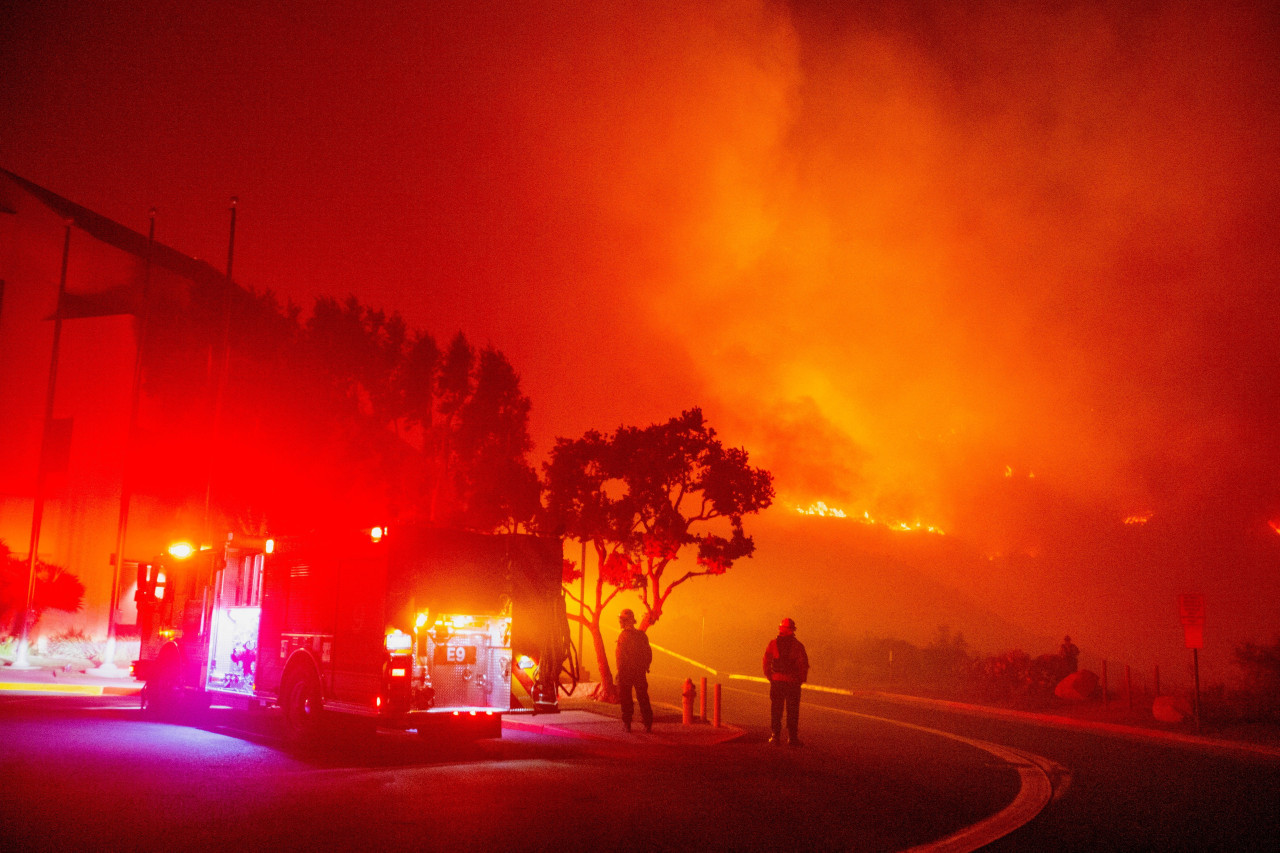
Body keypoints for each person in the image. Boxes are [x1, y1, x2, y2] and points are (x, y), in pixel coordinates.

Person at [763, 617, 809, 747]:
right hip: (792, 683)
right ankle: (792, 738)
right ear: (793, 630)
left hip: (777, 681)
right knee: (793, 710)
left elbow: (766, 661)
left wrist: (770, 676)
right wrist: (800, 679)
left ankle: (775, 736)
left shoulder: (773, 644)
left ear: (780, 629)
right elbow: (803, 664)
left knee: (776, 710)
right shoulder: (798, 646)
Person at [615, 608, 653, 733]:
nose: (620, 622)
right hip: (639, 672)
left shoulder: (623, 637)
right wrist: (644, 667)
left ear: (626, 621)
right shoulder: (642, 636)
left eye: (622, 620)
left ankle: (627, 723)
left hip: (626, 673)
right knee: (643, 697)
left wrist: (620, 672)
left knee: (626, 698)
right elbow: (648, 654)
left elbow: (620, 657)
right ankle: (648, 723)